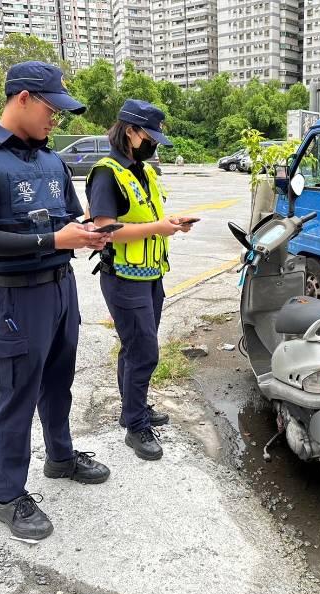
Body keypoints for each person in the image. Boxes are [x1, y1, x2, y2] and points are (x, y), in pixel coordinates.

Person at [0, 61, 112, 541]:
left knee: (60, 381)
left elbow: (69, 220)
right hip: (18, 299)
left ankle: (60, 457)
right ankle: (8, 496)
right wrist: (53, 240)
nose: (55, 121)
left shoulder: (52, 161)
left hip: (62, 290)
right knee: (18, 394)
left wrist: (87, 235)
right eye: (50, 108)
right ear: (22, 97)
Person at [86, 99, 195, 461]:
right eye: (150, 136)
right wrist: (158, 228)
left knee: (135, 348)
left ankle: (133, 409)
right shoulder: (106, 173)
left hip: (151, 275)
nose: (153, 144)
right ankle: (135, 426)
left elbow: (148, 215)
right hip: (122, 277)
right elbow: (104, 230)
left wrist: (171, 223)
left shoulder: (143, 171)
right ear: (130, 132)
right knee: (144, 351)